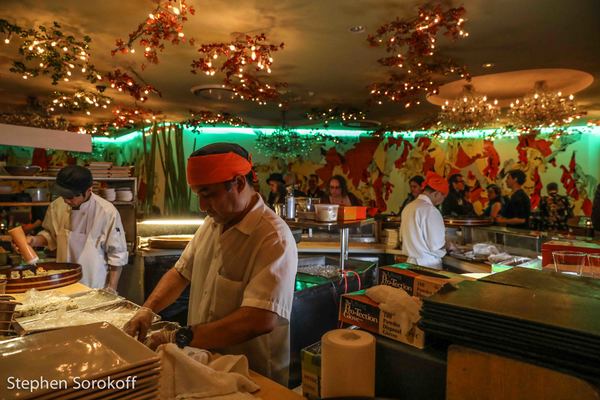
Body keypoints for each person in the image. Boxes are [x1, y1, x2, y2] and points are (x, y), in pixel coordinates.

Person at [124, 143, 297, 385]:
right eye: (199, 196)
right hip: (205, 362)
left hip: (251, 376)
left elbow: (259, 320)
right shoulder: (212, 223)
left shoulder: (273, 237)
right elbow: (180, 273)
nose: (203, 207)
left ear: (237, 183)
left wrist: (179, 337)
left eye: (209, 195)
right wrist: (147, 310)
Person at [20, 165, 127, 290]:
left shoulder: (107, 212)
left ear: (88, 190)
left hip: (93, 286)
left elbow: (117, 255)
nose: (66, 200)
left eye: (70, 197)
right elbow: (51, 235)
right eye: (63, 195)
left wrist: (111, 289)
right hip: (61, 284)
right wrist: (34, 240)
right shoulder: (56, 206)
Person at [400, 171, 449, 269]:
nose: (442, 200)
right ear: (437, 194)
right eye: (443, 197)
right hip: (428, 266)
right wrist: (449, 245)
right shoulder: (431, 211)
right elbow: (437, 246)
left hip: (410, 264)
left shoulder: (408, 207)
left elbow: (402, 239)